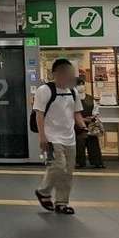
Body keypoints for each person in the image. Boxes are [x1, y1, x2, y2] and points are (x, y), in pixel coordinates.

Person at [34, 58, 87, 216]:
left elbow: (76, 113)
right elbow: (39, 114)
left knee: (68, 171)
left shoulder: (73, 91)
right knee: (57, 166)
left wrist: (84, 127)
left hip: (69, 138)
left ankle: (62, 203)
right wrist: (42, 136)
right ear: (55, 74)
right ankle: (43, 191)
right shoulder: (44, 90)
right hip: (51, 137)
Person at [74, 77, 105, 170]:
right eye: (78, 84)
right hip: (77, 125)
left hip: (90, 124)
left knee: (93, 143)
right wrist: (82, 120)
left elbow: (96, 110)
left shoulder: (91, 98)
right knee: (79, 143)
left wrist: (92, 117)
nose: (81, 86)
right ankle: (79, 162)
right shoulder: (72, 99)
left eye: (82, 84)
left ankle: (97, 162)